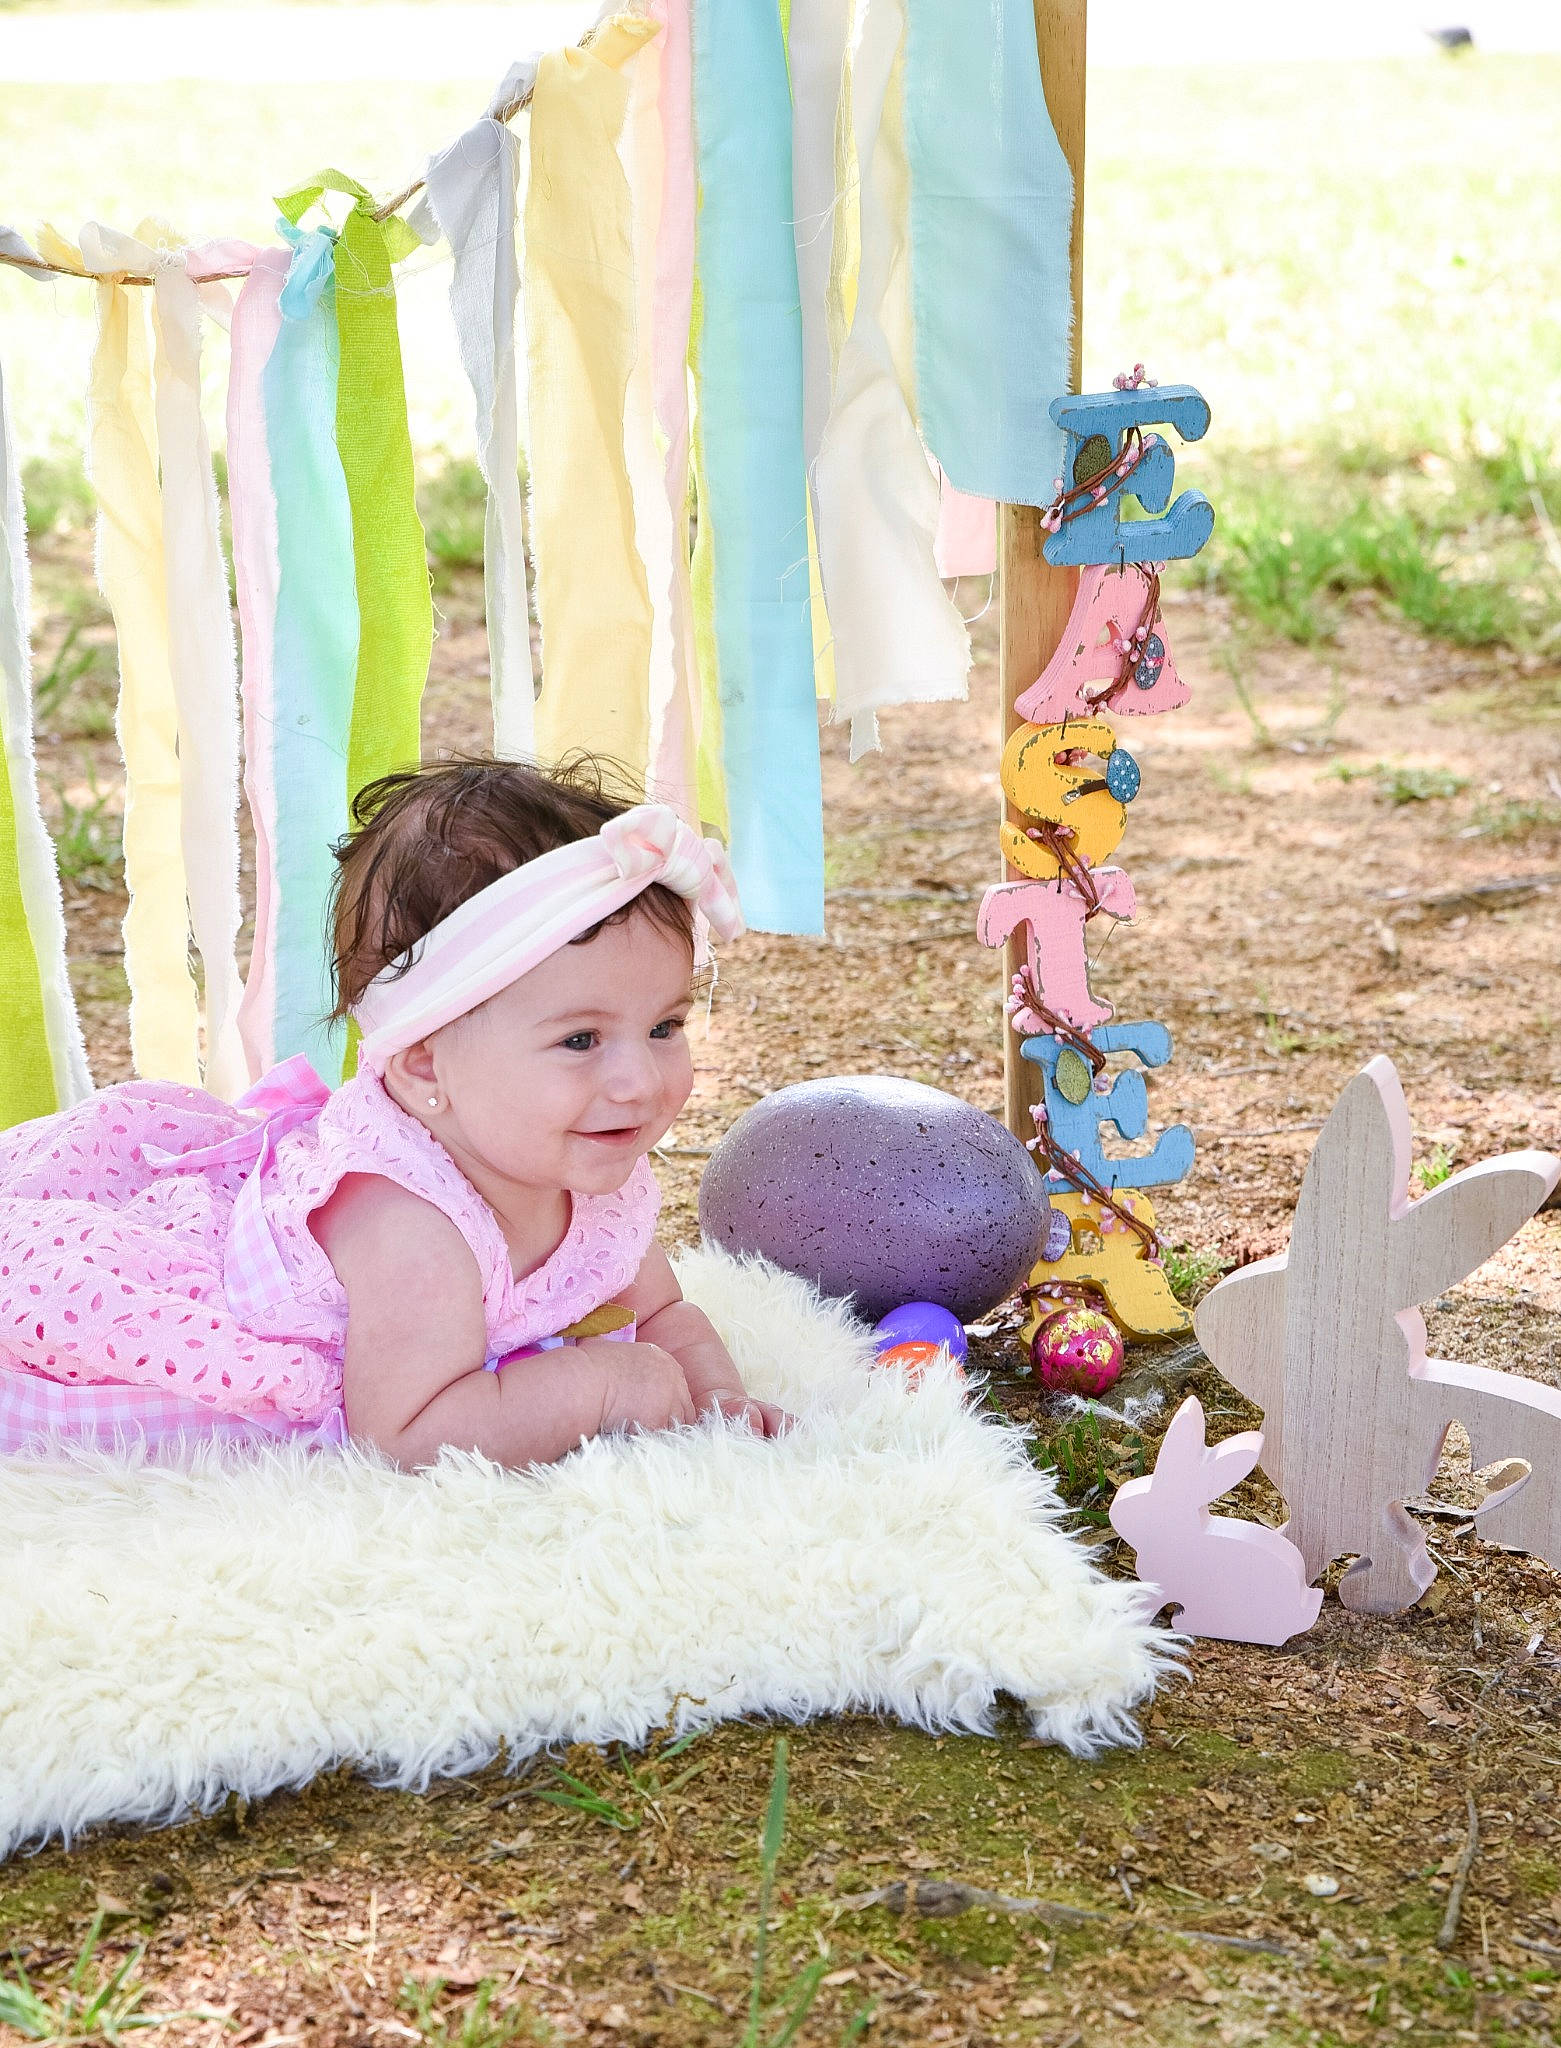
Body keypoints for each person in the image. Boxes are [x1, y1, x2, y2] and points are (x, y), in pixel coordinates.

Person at [0, 757, 787, 1467]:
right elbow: (404, 1436)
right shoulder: (409, 1223)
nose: (638, 1081)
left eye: (664, 1027)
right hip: (216, 1309)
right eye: (580, 1039)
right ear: (421, 1064)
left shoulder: (581, 1150)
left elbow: (661, 1312)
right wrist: (605, 1385)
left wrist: (712, 1393)